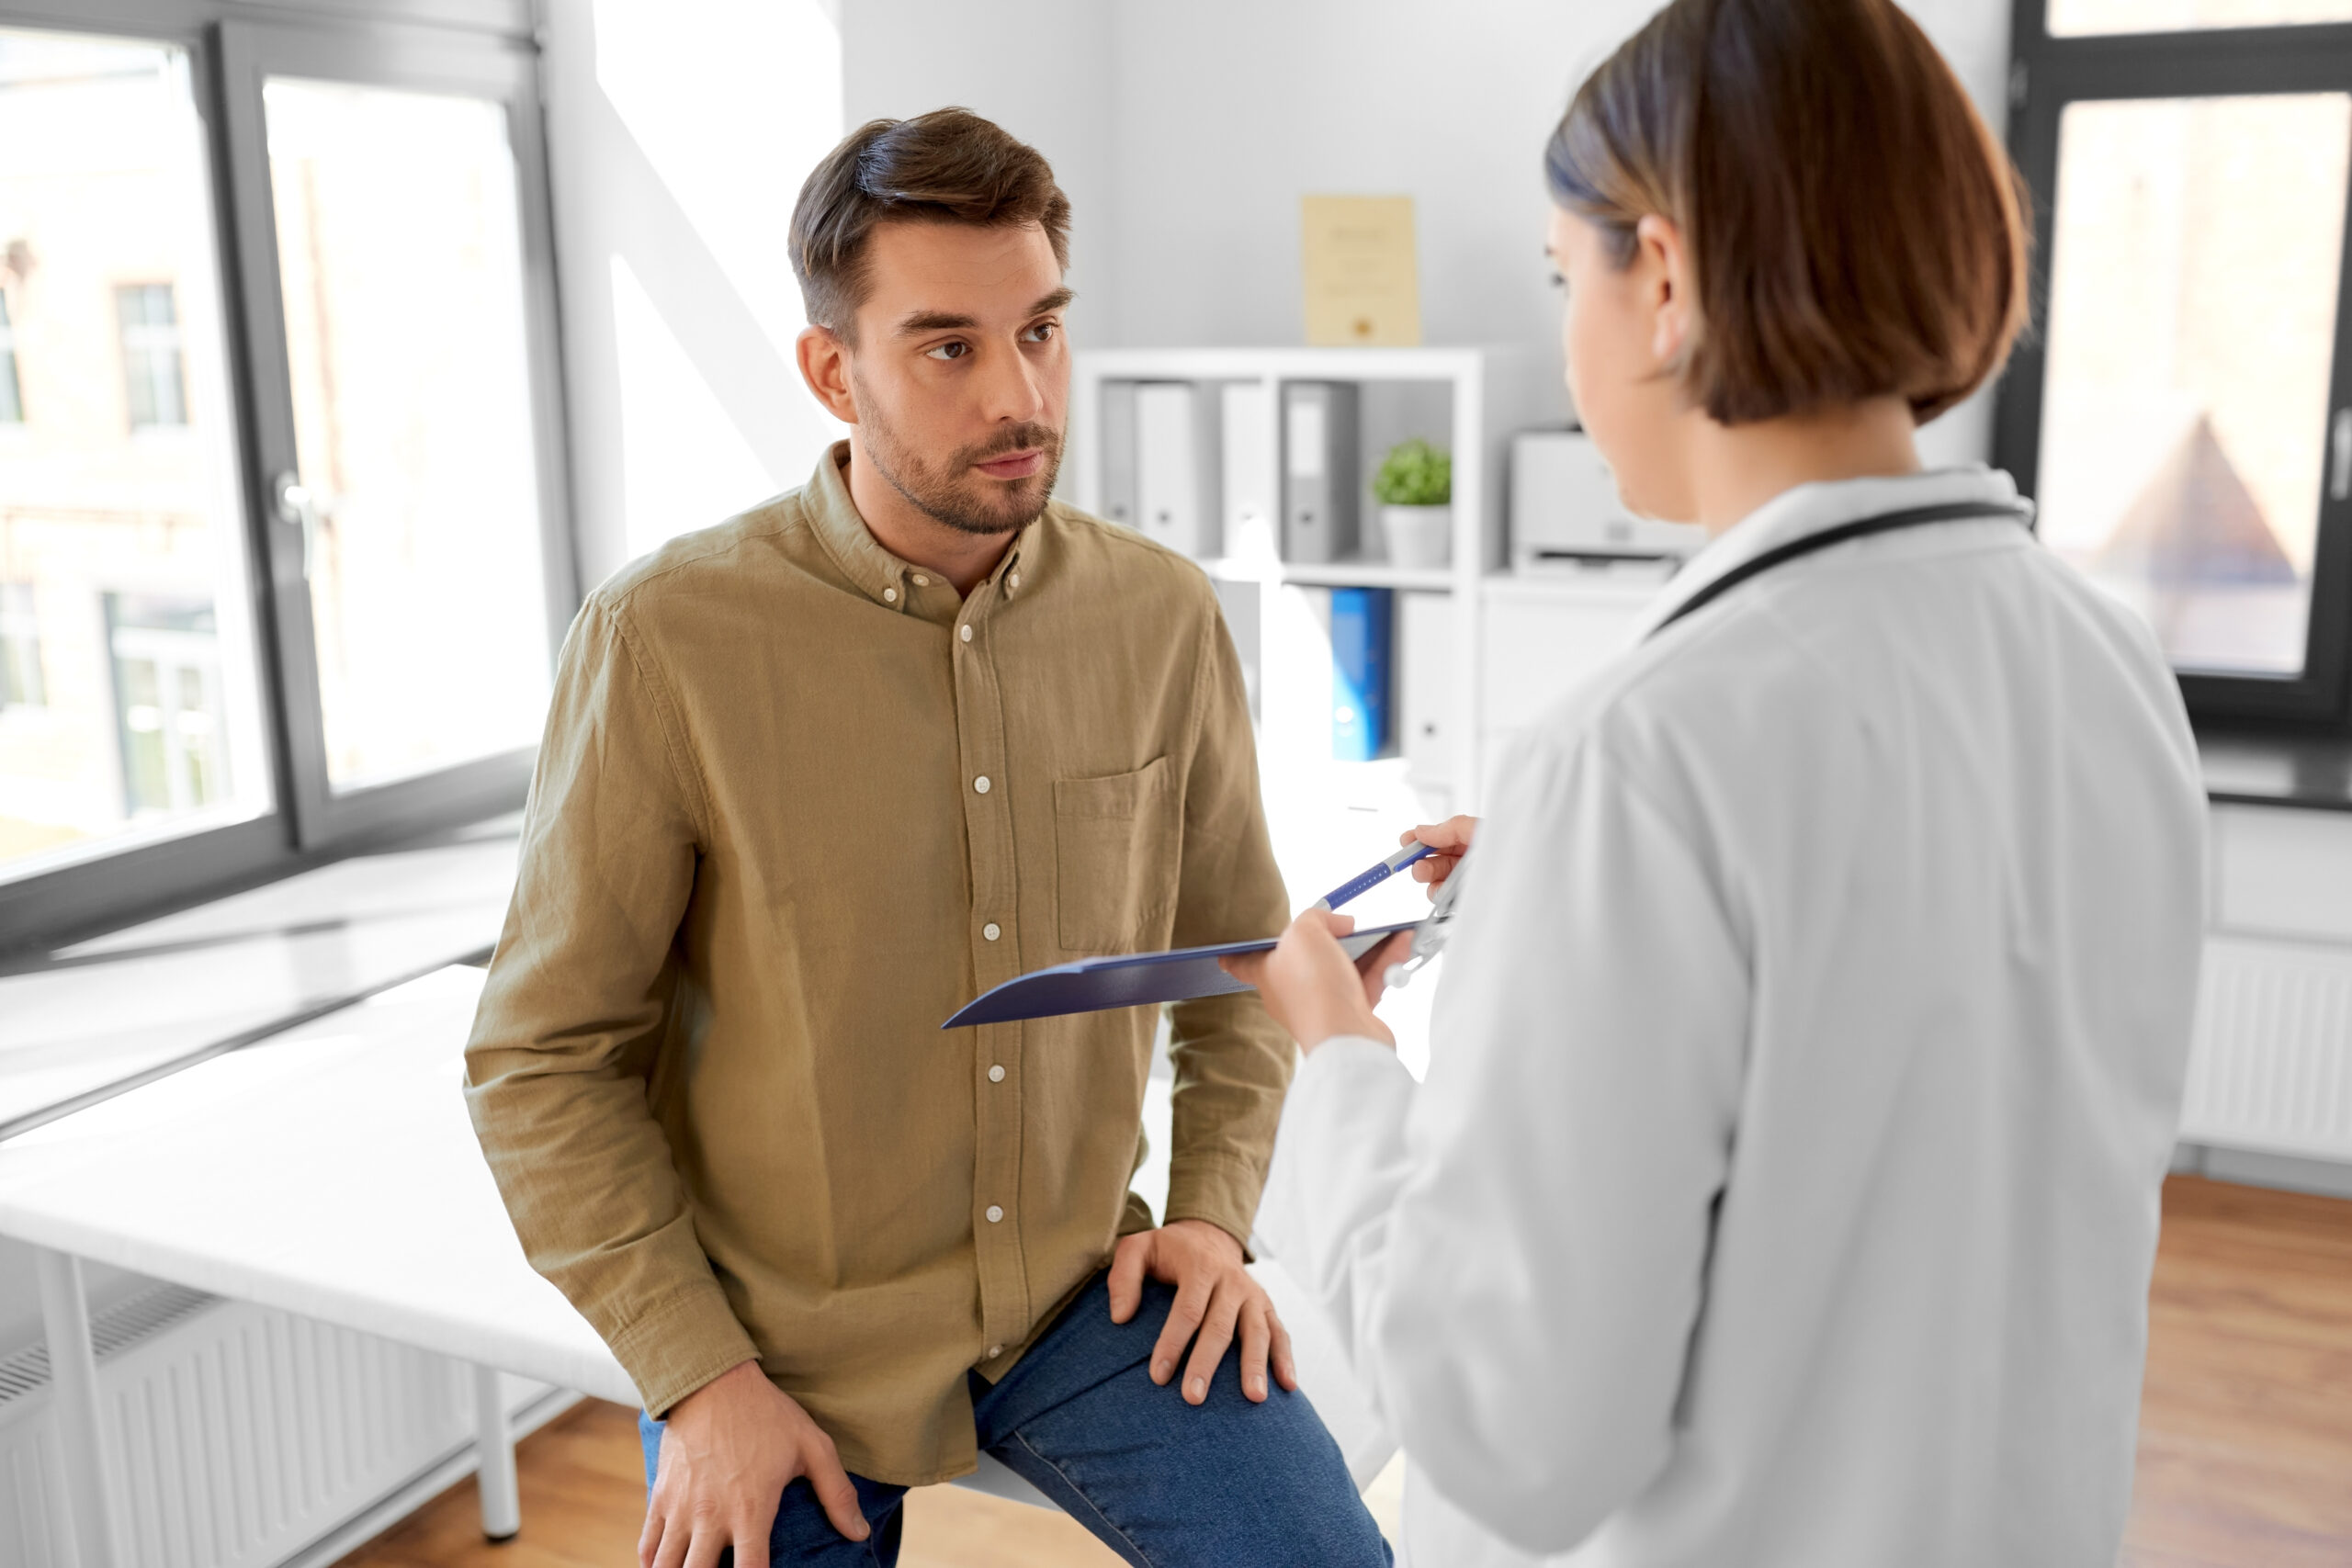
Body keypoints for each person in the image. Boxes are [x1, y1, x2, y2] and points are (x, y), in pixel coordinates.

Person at [1227, 2, 2206, 1563]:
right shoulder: (2106, 664)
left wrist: (1338, 1062)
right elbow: (1903, 1011)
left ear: (1664, 278)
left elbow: (1507, 1428)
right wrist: (1555, 892)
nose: (1568, 339)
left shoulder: (1639, 761)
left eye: (1567, 276)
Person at [464, 108, 1389, 1568]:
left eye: (1042, 332)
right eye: (949, 347)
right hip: (780, 1341)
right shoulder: (666, 643)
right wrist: (700, 1381)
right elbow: (542, 1058)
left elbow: (1243, 972)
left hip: (1087, 1298)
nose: (1019, 395)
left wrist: (1211, 1220)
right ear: (834, 371)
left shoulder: (1160, 617)